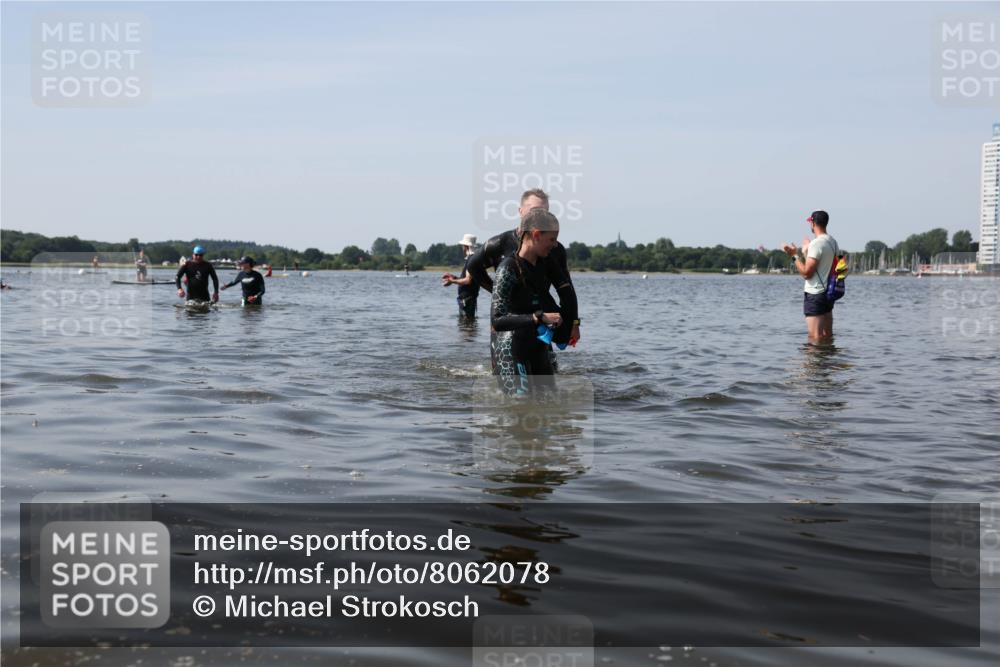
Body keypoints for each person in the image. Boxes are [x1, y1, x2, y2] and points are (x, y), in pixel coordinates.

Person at [467, 188, 580, 345]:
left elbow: (567, 289)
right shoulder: (500, 243)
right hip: (510, 322)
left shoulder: (554, 248)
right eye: (535, 210)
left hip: (541, 319)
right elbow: (473, 266)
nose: (540, 216)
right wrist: (496, 291)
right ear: (521, 211)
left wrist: (574, 323)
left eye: (544, 211)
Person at [491, 208, 564, 396]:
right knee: (522, 406)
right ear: (537, 235)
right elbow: (497, 321)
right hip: (510, 348)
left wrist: (562, 320)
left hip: (537, 345)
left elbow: (549, 299)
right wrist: (538, 318)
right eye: (552, 239)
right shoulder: (507, 268)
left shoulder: (542, 265)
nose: (555, 245)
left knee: (550, 403)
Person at [783, 210, 839, 342]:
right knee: (827, 336)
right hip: (828, 294)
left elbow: (807, 273)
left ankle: (813, 363)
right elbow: (824, 267)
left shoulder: (816, 243)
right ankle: (828, 362)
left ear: (813, 223)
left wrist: (793, 256)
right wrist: (806, 252)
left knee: (814, 338)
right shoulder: (832, 242)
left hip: (815, 294)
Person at [442, 234, 481, 319]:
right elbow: (468, 279)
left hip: (467, 300)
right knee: (467, 326)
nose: (462, 248)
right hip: (467, 300)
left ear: (466, 246)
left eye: (463, 246)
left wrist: (452, 281)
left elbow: (467, 280)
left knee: (466, 326)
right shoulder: (472, 259)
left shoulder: (471, 259)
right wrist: (453, 277)